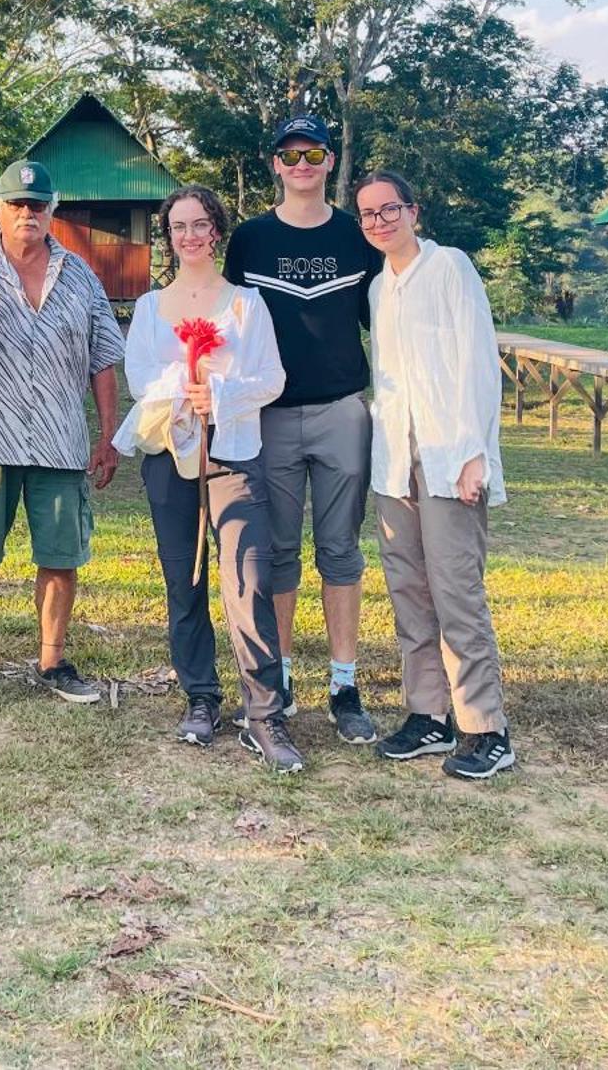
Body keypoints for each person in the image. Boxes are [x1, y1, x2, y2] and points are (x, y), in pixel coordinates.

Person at [113, 185, 303, 772]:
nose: (189, 236)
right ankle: (200, 695)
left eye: (199, 225)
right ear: (168, 236)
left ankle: (264, 713)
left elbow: (272, 379)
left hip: (234, 454)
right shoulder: (149, 309)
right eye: (178, 227)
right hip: (172, 454)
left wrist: (218, 393)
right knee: (183, 577)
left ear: (216, 231)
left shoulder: (246, 305)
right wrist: (183, 386)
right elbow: (142, 378)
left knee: (247, 579)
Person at [0, 159, 125, 705]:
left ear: (51, 210)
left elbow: (103, 360)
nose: (27, 214)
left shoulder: (80, 276)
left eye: (37, 205)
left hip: (60, 440)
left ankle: (52, 661)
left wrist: (108, 437)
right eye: (17, 204)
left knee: (61, 557)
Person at [222, 113, 384, 746]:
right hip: (273, 415)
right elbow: (229, 323)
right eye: (290, 156)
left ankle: (344, 685)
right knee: (281, 553)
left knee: (340, 549)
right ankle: (281, 681)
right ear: (275, 165)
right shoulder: (252, 239)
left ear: (329, 162)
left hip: (344, 409)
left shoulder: (357, 236)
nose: (302, 165)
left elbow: (388, 320)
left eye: (313, 153)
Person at [355, 170, 515, 780]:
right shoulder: (377, 288)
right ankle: (428, 716)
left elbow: (477, 360)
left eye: (388, 210)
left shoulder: (450, 267)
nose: (379, 222)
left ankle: (485, 727)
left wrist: (475, 451)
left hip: (449, 454)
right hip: (395, 460)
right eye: (368, 215)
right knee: (410, 594)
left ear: (412, 212)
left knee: (456, 593)